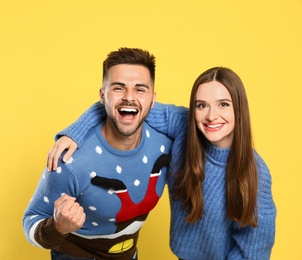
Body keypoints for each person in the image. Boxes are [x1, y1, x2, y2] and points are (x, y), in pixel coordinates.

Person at [47, 67, 277, 259]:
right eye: (201, 105)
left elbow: (255, 248)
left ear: (239, 108)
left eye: (223, 104)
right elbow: (126, 105)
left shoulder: (256, 172)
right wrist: (75, 133)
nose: (211, 115)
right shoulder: (182, 125)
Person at [22, 47, 179, 260]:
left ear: (153, 99)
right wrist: (56, 226)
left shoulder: (166, 145)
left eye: (140, 89)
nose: (129, 98)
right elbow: (31, 220)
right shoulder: (71, 160)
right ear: (102, 96)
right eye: (118, 88)